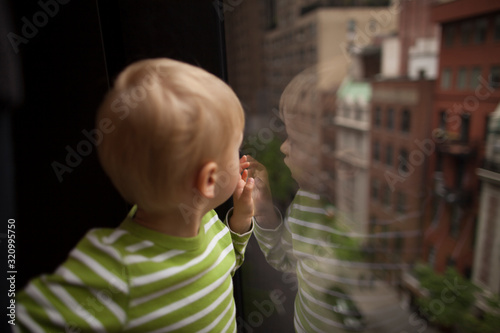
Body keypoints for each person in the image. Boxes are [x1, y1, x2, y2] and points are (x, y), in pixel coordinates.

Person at [15, 58, 255, 333]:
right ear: (209, 180)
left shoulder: (208, 223)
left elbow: (225, 266)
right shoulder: (116, 270)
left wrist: (241, 218)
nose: (240, 156)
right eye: (235, 148)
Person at [250, 66, 415, 332]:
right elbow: (284, 259)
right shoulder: (305, 203)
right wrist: (266, 213)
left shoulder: (369, 233)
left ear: (344, 163)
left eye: (295, 140)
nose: (283, 147)